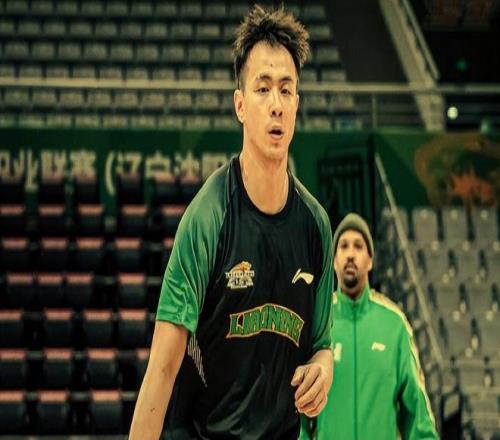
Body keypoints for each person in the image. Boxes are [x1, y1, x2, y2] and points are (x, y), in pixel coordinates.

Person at [129, 5, 334, 439]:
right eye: (263, 89)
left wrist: (323, 367)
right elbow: (162, 369)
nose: (276, 105)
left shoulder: (315, 226)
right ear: (240, 105)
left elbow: (320, 345)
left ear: (297, 104)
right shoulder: (208, 217)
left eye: (286, 90)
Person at [301, 213, 439, 440]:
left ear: (370, 260)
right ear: (334, 260)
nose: (350, 254)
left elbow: (417, 415)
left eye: (358, 246)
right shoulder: (317, 320)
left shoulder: (394, 325)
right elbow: (299, 418)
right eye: (343, 246)